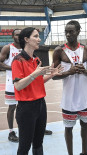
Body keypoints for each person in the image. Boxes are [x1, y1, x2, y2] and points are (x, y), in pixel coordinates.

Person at [11, 27, 62, 155]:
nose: (39, 39)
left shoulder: (37, 59)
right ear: (26, 39)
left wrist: (51, 75)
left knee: (38, 143)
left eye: (38, 36)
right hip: (26, 108)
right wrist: (34, 74)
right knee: (25, 145)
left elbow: (38, 82)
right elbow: (18, 86)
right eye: (36, 36)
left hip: (40, 105)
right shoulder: (18, 60)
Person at [52, 20, 87, 155]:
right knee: (68, 129)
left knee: (85, 126)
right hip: (69, 98)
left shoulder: (86, 50)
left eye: (71, 31)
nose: (68, 34)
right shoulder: (59, 51)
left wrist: (85, 71)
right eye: (66, 31)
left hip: (84, 96)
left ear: (78, 32)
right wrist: (68, 72)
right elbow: (53, 76)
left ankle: (84, 152)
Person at [0, 29, 21, 142]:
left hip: (24, 82)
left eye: (20, 35)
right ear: (13, 36)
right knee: (12, 107)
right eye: (17, 35)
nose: (19, 36)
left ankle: (26, 128)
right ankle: (11, 132)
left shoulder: (25, 48)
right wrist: (13, 68)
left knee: (24, 106)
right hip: (11, 82)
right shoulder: (8, 48)